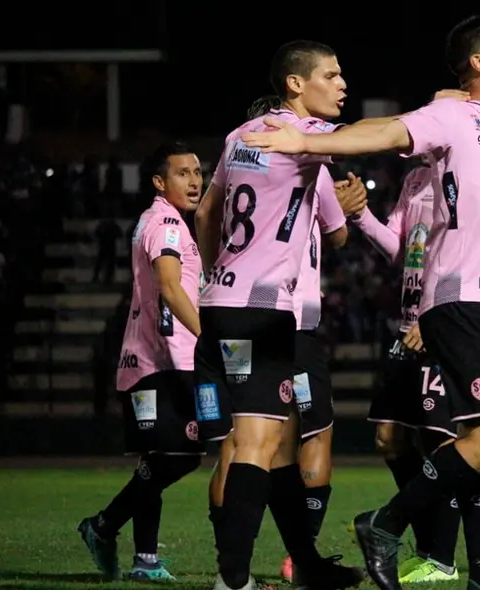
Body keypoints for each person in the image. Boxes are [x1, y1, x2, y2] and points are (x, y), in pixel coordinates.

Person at [241, 14, 480, 590]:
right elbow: (387, 131)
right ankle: (391, 524)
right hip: (460, 298)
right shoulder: (449, 117)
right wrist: (306, 140)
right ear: (478, 61)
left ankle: (469, 566)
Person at [192, 40, 363, 590]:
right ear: (296, 83)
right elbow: (337, 232)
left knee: (279, 443)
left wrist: (221, 267)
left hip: (221, 301)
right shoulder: (308, 139)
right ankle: (234, 579)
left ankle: (306, 564)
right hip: (265, 311)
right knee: (258, 445)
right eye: (331, 75)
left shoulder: (238, 135)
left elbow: (207, 211)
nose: (341, 84)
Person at [77, 142, 206, 582]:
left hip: (156, 360)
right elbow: (169, 288)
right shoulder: (166, 223)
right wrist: (208, 339)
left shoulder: (165, 222)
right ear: (159, 182)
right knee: (181, 453)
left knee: (169, 455)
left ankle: (140, 555)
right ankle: (107, 528)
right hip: (155, 363)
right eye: (183, 173)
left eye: (197, 172)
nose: (194, 180)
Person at [347, 154, 463, 583]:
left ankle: (442, 560)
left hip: (438, 326)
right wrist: (359, 215)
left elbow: (467, 253)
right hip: (407, 328)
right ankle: (428, 545)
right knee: (390, 439)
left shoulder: (463, 176)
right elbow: (401, 248)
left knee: (442, 446)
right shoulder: (416, 179)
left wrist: (435, 319)